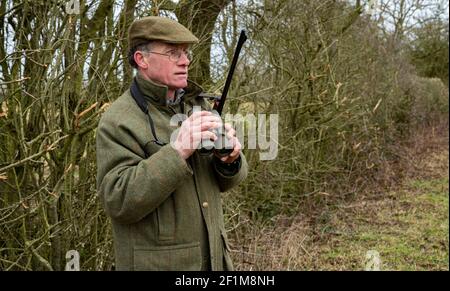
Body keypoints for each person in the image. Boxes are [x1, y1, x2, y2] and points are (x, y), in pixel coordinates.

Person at [95, 16, 248, 271]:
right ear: (141, 60)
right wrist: (177, 151)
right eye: (173, 53)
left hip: (214, 262)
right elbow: (117, 199)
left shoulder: (197, 105)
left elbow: (224, 183)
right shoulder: (119, 120)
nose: (185, 60)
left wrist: (229, 160)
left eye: (186, 53)